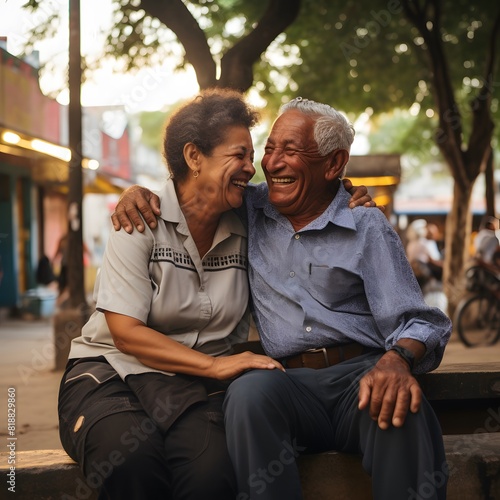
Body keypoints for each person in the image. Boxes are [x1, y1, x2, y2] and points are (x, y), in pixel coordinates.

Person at [115, 97, 452, 500]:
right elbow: (196, 192)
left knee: (400, 404)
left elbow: (422, 321)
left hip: (359, 377)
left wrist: (398, 360)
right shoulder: (249, 207)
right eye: (269, 150)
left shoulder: (364, 224)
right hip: (287, 384)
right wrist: (136, 193)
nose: (271, 164)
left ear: (332, 164)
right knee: (249, 394)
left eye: (289, 151)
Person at [58, 89, 372, 500]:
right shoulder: (139, 219)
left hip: (190, 385)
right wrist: (215, 366)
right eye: (239, 155)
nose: (251, 167)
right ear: (194, 157)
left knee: (213, 474)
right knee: (130, 462)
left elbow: (311, 197)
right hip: (109, 372)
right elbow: (125, 334)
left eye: (250, 156)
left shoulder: (253, 219)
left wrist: (348, 194)